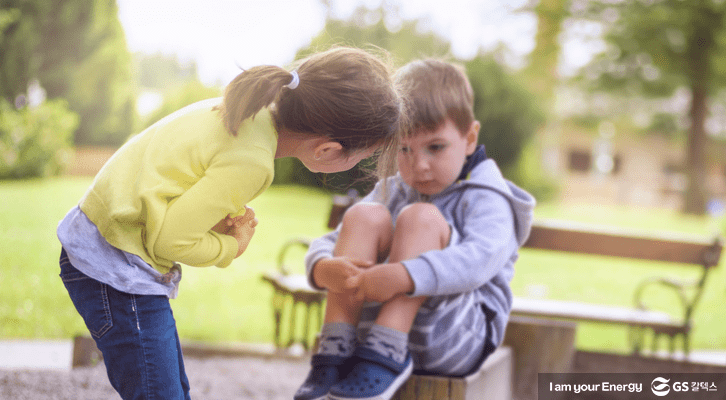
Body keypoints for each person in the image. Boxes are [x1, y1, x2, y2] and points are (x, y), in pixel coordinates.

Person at [56, 46, 403, 400]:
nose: (361, 165)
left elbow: (171, 185)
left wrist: (210, 224)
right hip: (115, 262)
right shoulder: (253, 161)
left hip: (104, 238)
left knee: (170, 387)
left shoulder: (248, 112)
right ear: (327, 150)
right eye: (363, 157)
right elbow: (169, 241)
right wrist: (231, 247)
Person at [294, 59, 536, 400]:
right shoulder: (394, 189)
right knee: (364, 215)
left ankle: (386, 351)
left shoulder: (489, 199)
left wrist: (405, 275)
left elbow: (477, 261)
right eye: (404, 149)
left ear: (469, 138)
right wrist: (321, 266)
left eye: (435, 147)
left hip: (454, 338)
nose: (418, 165)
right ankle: (335, 348)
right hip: (366, 339)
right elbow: (336, 239)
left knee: (420, 218)